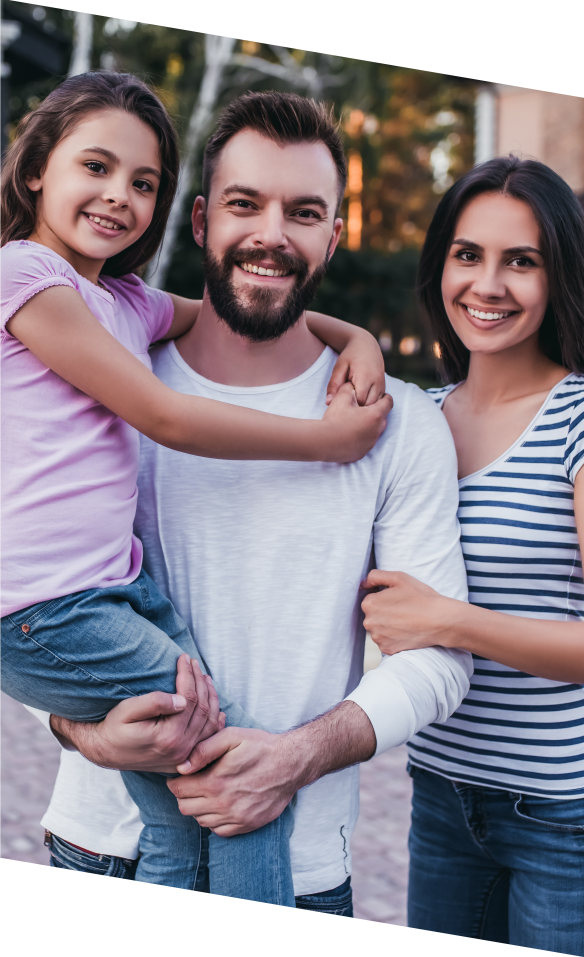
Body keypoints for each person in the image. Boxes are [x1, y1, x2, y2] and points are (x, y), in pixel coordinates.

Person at [43, 90, 473, 916]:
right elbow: (32, 596)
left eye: (303, 211)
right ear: (202, 219)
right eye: (246, 204)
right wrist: (81, 731)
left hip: (301, 869)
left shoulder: (401, 422)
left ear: (334, 236)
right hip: (102, 846)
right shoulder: (106, 383)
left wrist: (299, 755)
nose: (272, 234)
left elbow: (441, 659)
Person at [360, 156, 584, 952]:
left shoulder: (574, 418)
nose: (487, 284)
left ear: (559, 276)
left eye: (520, 260)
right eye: (468, 254)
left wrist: (448, 621)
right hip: (442, 794)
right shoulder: (413, 418)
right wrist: (348, 334)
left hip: (562, 815)